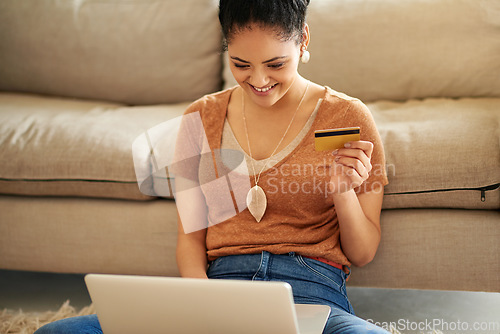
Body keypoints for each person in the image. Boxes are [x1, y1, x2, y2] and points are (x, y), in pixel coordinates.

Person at [35, 0, 389, 333]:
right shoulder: (201, 117)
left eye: (275, 64)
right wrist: (204, 307)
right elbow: (190, 241)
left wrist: (343, 191)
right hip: (221, 290)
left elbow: (362, 252)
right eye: (241, 64)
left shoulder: (347, 116)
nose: (260, 81)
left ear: (303, 40)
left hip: (313, 294)